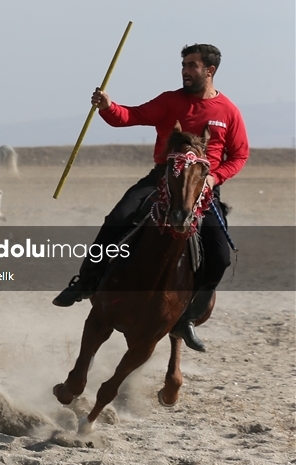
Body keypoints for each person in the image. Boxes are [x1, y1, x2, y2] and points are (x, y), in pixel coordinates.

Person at [52, 44, 248, 353]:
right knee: (117, 219)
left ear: (210, 71)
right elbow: (129, 116)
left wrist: (213, 177)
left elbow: (239, 155)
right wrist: (107, 106)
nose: (185, 69)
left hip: (202, 187)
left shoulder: (228, 111)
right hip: (161, 178)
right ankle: (86, 280)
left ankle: (188, 317)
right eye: (184, 64)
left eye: (192, 65)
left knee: (220, 256)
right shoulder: (170, 101)